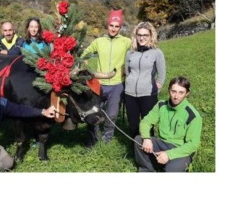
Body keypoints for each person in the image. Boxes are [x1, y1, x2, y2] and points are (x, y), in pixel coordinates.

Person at [81, 9, 131, 145]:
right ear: (107, 25)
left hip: (117, 84)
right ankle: (93, 137)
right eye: (111, 25)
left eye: (117, 26)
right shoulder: (99, 41)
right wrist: (83, 60)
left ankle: (107, 138)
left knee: (112, 113)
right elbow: (86, 52)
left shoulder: (126, 41)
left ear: (120, 27)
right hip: (99, 83)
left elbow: (137, 51)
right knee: (94, 111)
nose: (113, 29)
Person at [133, 76, 202, 172]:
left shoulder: (193, 115)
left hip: (180, 149)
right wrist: (146, 138)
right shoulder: (161, 105)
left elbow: (193, 144)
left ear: (187, 93)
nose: (176, 96)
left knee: (172, 169)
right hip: (162, 142)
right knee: (138, 140)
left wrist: (169, 154)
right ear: (169, 90)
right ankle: (147, 170)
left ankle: (171, 165)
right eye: (173, 91)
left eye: (181, 92)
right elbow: (146, 121)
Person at [124, 22, 166, 138]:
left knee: (147, 124)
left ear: (151, 36)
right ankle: (135, 149)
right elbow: (127, 72)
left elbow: (161, 74)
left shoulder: (157, 53)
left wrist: (157, 87)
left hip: (148, 94)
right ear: (135, 36)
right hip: (130, 94)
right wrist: (129, 83)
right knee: (133, 124)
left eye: (145, 35)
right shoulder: (130, 53)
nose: (142, 38)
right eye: (139, 35)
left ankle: (148, 151)